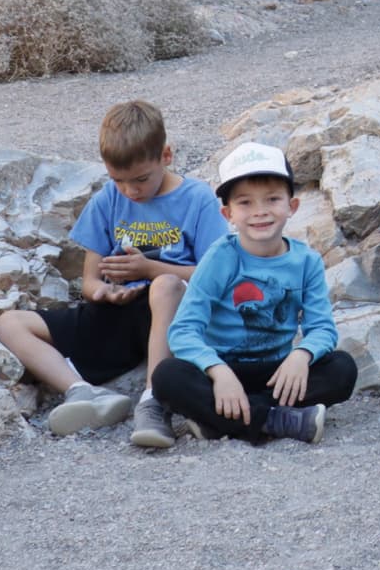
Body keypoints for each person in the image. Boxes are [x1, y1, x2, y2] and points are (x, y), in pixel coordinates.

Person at [0, 100, 229, 446]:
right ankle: (82, 391)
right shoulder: (107, 200)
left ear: (166, 155)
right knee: (9, 323)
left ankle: (153, 401)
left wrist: (150, 268)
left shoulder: (198, 198)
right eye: (119, 180)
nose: (131, 191)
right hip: (115, 314)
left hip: (170, 314)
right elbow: (89, 281)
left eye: (141, 179)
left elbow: (214, 274)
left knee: (166, 285)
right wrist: (104, 292)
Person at [149, 142, 357, 445]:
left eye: (272, 199)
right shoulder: (219, 257)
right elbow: (183, 330)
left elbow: (322, 328)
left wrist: (302, 355)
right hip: (222, 369)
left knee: (342, 369)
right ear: (228, 213)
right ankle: (275, 419)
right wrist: (217, 371)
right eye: (245, 202)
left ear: (292, 206)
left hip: (276, 372)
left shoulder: (307, 261)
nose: (260, 211)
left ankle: (223, 421)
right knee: (167, 376)